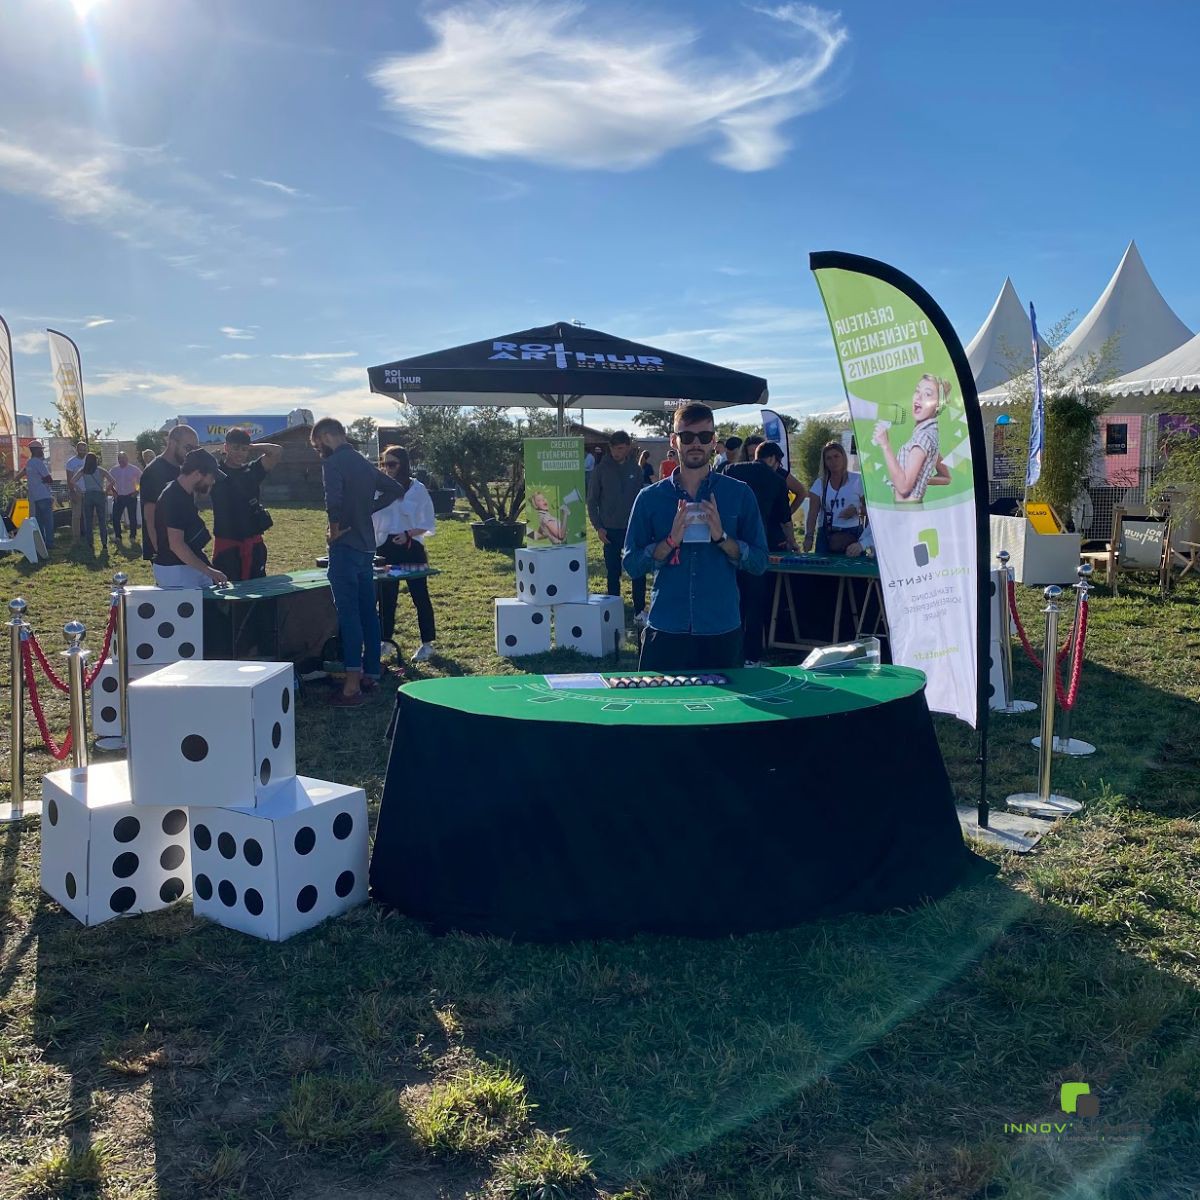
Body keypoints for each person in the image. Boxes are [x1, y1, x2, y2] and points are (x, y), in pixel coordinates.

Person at [624, 402, 767, 671]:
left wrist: (722, 538)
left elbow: (759, 562)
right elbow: (631, 565)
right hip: (667, 627)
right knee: (659, 711)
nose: (695, 444)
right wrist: (668, 542)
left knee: (726, 714)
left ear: (714, 441)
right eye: (687, 437)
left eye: (704, 437)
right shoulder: (650, 499)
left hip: (720, 628)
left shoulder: (739, 494)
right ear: (674, 440)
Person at [311, 417, 406, 708]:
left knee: (349, 616)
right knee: (368, 613)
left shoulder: (334, 463)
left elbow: (333, 498)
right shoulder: (363, 461)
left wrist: (335, 526)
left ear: (327, 436)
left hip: (346, 547)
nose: (319, 451)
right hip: (367, 548)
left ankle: (351, 686)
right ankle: (371, 674)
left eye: (317, 445)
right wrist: (367, 509)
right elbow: (395, 489)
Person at [725, 440, 795, 666]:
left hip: (725, 545)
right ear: (774, 459)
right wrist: (793, 543)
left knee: (732, 602)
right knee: (754, 604)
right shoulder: (776, 479)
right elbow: (785, 520)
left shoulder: (730, 469)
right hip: (755, 548)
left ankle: (730, 652)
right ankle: (751, 657)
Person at [374, 446, 438, 663]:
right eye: (383, 464)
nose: (387, 468)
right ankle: (385, 642)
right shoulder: (379, 488)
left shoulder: (417, 489)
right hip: (385, 547)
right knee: (386, 598)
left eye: (392, 464)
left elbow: (428, 522)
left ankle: (428, 644)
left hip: (411, 548)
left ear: (403, 465)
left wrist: (408, 534)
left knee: (420, 596)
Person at [587, 430, 648, 627]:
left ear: (628, 447)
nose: (616, 452)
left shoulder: (636, 470)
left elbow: (642, 501)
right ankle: (613, 610)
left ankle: (639, 611)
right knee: (613, 572)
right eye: (614, 448)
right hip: (609, 530)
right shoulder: (601, 469)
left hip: (633, 529)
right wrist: (598, 527)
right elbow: (592, 500)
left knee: (637, 571)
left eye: (621, 448)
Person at [211, 427, 283, 581]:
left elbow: (276, 451)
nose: (240, 453)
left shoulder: (253, 470)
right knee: (226, 590)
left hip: (253, 541)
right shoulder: (215, 471)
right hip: (226, 542)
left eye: (244, 449)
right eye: (235, 448)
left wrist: (252, 446)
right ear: (226, 447)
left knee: (258, 587)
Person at [152, 449, 228, 590]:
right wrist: (209, 571)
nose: (212, 482)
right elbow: (176, 545)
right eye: (211, 478)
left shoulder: (185, 494)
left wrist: (207, 570)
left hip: (189, 565)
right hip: (174, 569)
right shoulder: (173, 497)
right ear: (197, 474)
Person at [872, 373, 952, 502]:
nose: (919, 397)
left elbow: (903, 488)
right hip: (912, 510)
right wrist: (923, 478)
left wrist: (885, 445)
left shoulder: (923, 438)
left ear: (938, 404)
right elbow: (946, 478)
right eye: (917, 391)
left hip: (907, 512)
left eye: (927, 394)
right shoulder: (929, 435)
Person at [141, 425, 199, 564]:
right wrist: (161, 554)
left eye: (195, 450)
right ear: (172, 443)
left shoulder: (183, 469)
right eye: (188, 448)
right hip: (166, 552)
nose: (191, 454)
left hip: (185, 548)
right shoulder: (154, 471)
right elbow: (150, 518)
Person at [804, 441, 865, 555]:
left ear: (843, 457)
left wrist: (857, 510)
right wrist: (809, 537)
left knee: (854, 570)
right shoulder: (819, 484)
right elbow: (812, 514)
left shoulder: (857, 480)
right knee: (825, 570)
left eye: (836, 456)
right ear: (825, 462)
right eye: (829, 458)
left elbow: (870, 510)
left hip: (852, 532)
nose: (833, 461)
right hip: (827, 533)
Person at [71, 453, 116, 554]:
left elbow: (72, 480)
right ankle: (104, 544)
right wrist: (106, 490)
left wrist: (79, 490)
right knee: (102, 520)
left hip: (88, 495)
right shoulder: (100, 470)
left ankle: (90, 543)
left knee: (88, 521)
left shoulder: (83, 470)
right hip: (99, 495)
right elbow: (113, 480)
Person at [16, 440, 55, 549]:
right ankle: (50, 544)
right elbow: (49, 479)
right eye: (41, 450)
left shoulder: (29, 463)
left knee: (39, 523)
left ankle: (40, 545)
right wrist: (44, 480)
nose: (42, 452)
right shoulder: (39, 462)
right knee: (48, 522)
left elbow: (19, 476)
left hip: (34, 497)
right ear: (36, 450)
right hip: (44, 495)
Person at [109, 450, 142, 543]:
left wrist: (137, 491)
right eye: (120, 458)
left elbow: (140, 480)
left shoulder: (134, 469)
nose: (122, 460)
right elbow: (109, 482)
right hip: (118, 497)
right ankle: (118, 536)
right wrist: (113, 492)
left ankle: (132, 536)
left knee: (132, 517)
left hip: (130, 496)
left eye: (123, 458)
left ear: (127, 459)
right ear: (118, 460)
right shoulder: (113, 470)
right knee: (116, 517)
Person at [64, 440, 87, 540]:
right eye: (81, 450)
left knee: (87, 514)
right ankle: (76, 536)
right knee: (76, 515)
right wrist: (72, 491)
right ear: (77, 450)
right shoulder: (71, 462)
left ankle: (86, 533)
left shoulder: (88, 460)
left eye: (84, 450)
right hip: (76, 490)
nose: (82, 452)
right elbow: (69, 478)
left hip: (87, 490)